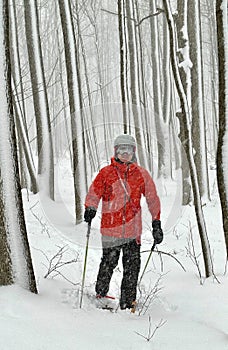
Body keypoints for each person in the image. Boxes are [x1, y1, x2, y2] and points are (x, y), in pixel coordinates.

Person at [84, 134, 163, 310]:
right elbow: (94, 192)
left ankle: (128, 302)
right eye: (121, 150)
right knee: (108, 263)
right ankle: (101, 293)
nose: (124, 153)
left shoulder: (141, 174)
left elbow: (152, 198)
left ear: (133, 152)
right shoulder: (106, 173)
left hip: (132, 232)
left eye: (128, 150)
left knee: (132, 268)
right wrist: (90, 207)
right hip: (111, 230)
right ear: (116, 151)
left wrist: (156, 222)